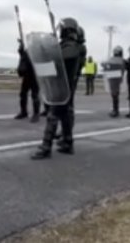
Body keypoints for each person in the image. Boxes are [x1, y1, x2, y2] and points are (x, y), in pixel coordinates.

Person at [31, 18, 82, 160]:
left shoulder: (72, 46)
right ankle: (68, 143)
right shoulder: (64, 45)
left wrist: (51, 47)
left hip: (63, 88)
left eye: (61, 29)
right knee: (65, 117)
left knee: (53, 116)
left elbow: (60, 58)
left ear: (66, 29)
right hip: (60, 86)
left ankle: (46, 147)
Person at [14, 41, 40, 123]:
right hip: (27, 75)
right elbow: (23, 57)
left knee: (34, 95)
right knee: (23, 93)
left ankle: (36, 114)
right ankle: (24, 112)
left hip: (34, 76)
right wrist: (21, 49)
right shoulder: (27, 51)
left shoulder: (38, 53)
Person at [102, 46, 125, 118]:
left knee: (115, 95)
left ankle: (116, 110)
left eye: (117, 51)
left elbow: (123, 69)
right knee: (114, 94)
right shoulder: (113, 59)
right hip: (112, 78)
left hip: (116, 78)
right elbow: (105, 65)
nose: (115, 52)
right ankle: (115, 109)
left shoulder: (121, 60)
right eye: (115, 51)